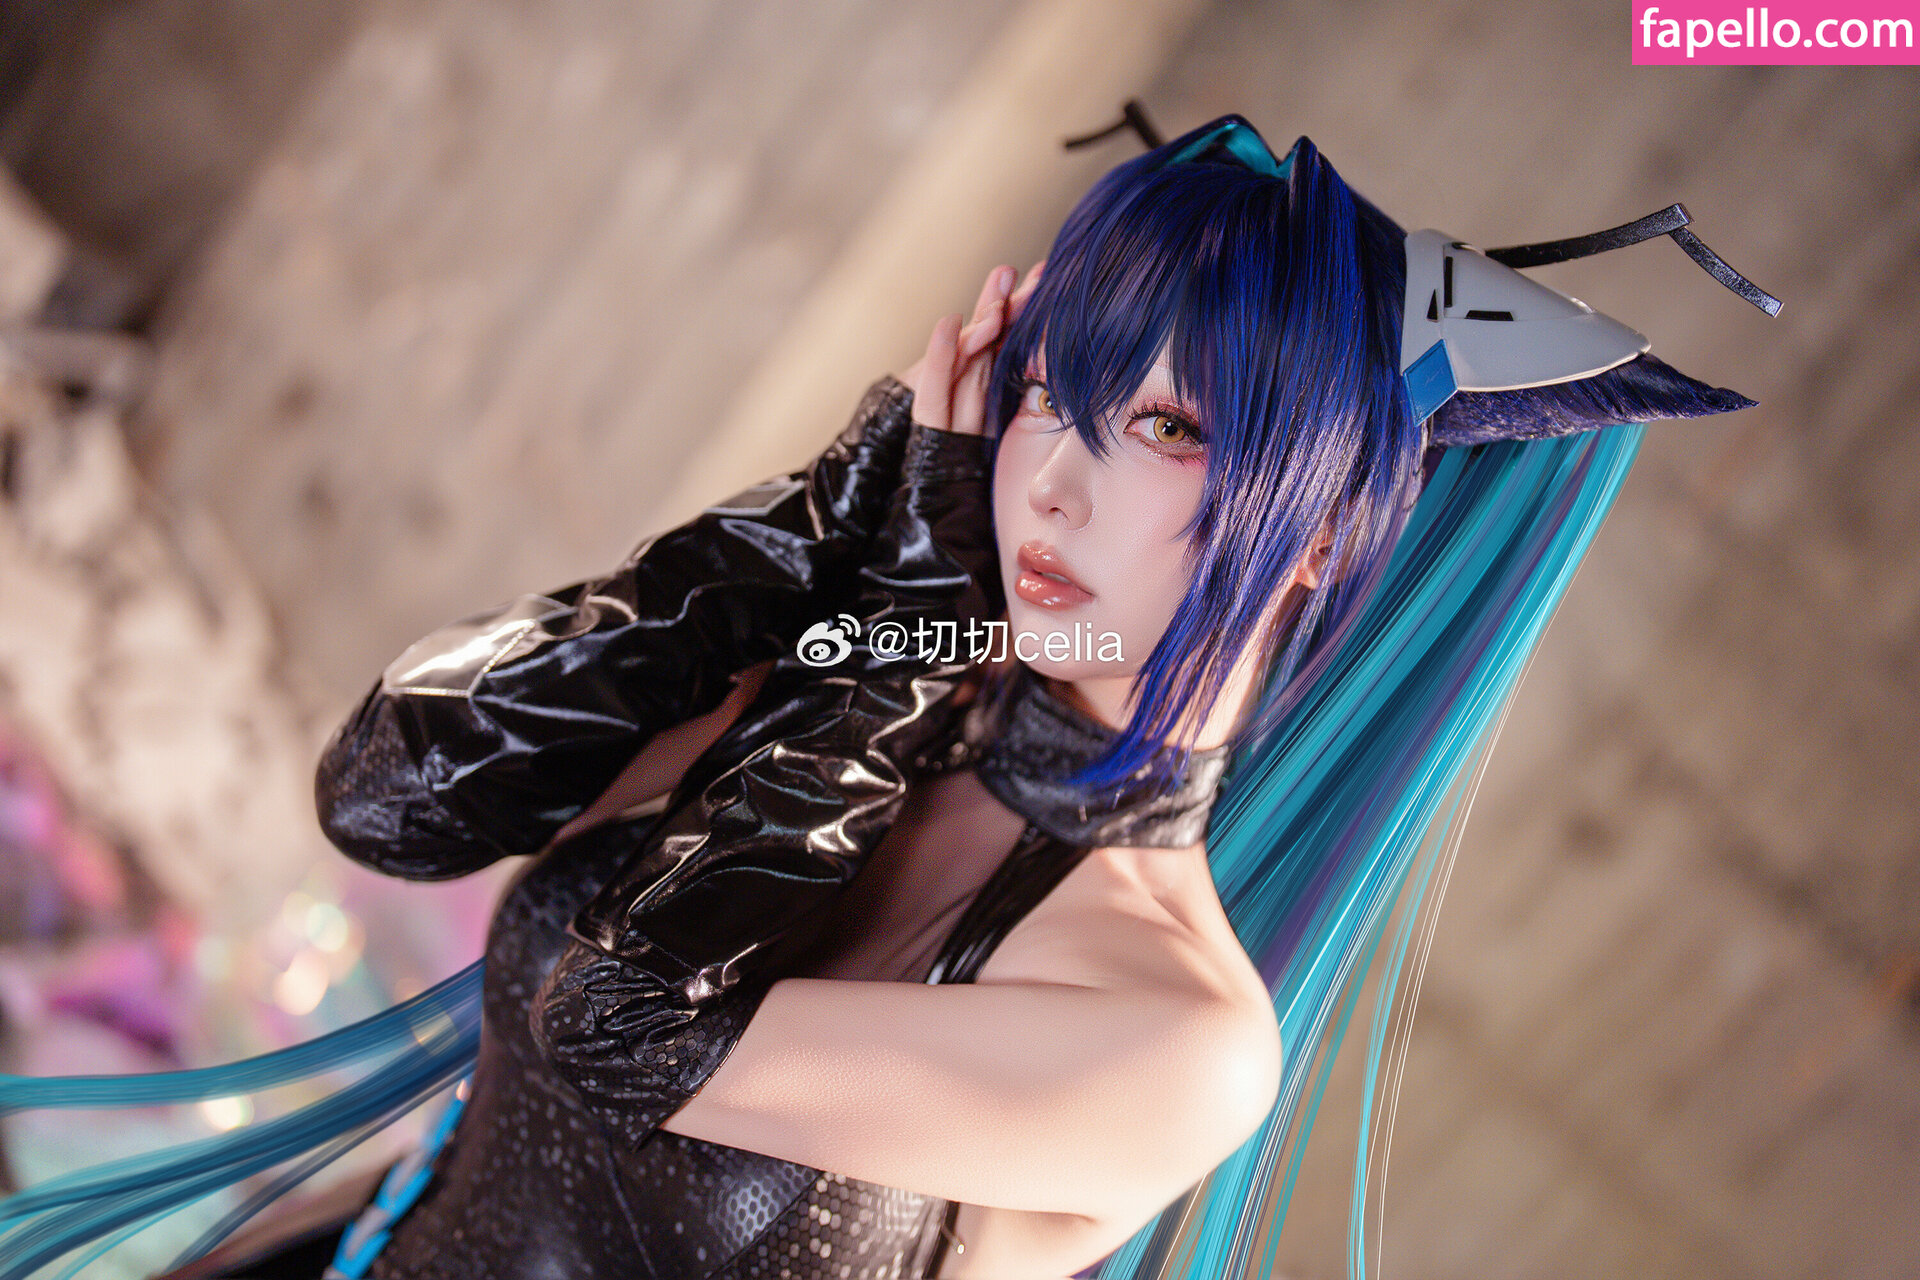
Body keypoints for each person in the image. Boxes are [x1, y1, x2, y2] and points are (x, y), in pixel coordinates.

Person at [0, 112, 1773, 1280]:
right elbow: (393, 799)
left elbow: (619, 1028)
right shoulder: (871, 677)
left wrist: (912, 618)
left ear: (1314, 536)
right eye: (1050, 395)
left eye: (1164, 426)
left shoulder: (1177, 1034)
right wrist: (821, 528)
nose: (1052, 482)